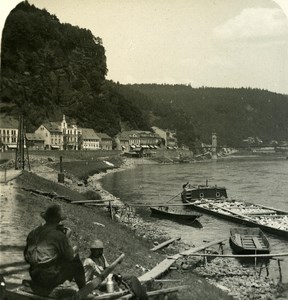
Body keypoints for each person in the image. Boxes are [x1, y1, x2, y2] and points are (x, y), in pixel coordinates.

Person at [24, 204, 86, 295]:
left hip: (34, 274)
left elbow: (26, 256)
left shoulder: (33, 232)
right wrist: (66, 238)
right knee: (75, 259)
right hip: (48, 278)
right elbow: (69, 257)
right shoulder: (59, 236)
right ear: (58, 220)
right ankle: (83, 290)